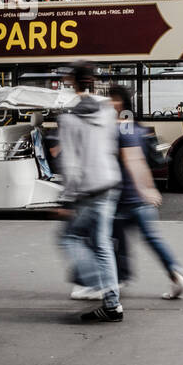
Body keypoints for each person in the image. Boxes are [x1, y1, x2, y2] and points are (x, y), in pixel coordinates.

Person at [108, 85, 183, 299]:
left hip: (125, 197)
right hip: (138, 197)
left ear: (120, 103)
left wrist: (145, 190)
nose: (109, 104)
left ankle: (119, 280)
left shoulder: (122, 129)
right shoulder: (138, 128)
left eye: (112, 99)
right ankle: (175, 274)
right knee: (150, 239)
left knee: (116, 240)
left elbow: (133, 160)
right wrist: (149, 188)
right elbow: (142, 162)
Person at [58, 61, 124, 321]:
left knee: (69, 238)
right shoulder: (107, 110)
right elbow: (110, 144)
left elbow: (70, 164)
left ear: (72, 81)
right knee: (102, 244)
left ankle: (97, 282)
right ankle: (111, 303)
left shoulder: (67, 117)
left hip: (89, 189)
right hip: (110, 182)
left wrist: (66, 198)